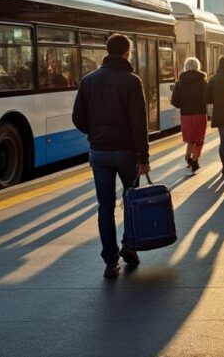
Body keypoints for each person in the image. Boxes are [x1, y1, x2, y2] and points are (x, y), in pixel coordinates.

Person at [72, 34, 149, 279]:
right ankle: (129, 246)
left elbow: (78, 118)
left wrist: (96, 134)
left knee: (105, 207)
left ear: (107, 51)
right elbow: (139, 123)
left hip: (99, 152)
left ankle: (110, 262)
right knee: (131, 201)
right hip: (127, 152)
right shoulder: (132, 81)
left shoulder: (89, 80)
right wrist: (143, 156)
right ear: (127, 53)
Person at [170, 57, 208, 173]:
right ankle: (195, 159)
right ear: (198, 67)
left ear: (185, 68)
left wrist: (183, 105)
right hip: (200, 114)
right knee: (199, 139)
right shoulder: (203, 82)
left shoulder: (180, 83)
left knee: (190, 139)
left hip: (186, 115)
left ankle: (188, 157)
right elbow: (208, 98)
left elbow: (174, 101)